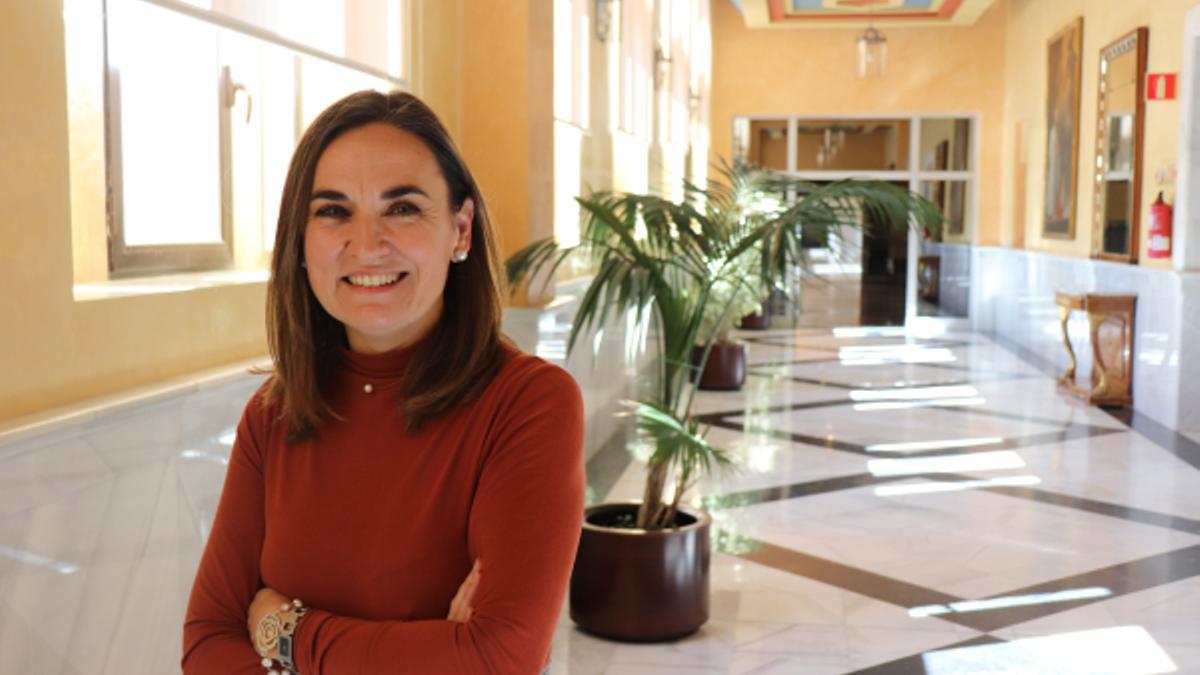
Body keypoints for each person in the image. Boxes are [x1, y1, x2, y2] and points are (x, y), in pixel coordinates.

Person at [182, 90, 585, 674]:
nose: (367, 244)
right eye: (333, 211)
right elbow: (206, 645)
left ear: (461, 229)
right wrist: (429, 651)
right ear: (301, 240)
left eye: (402, 209)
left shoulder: (528, 404)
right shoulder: (274, 415)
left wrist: (284, 630)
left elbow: (497, 660)